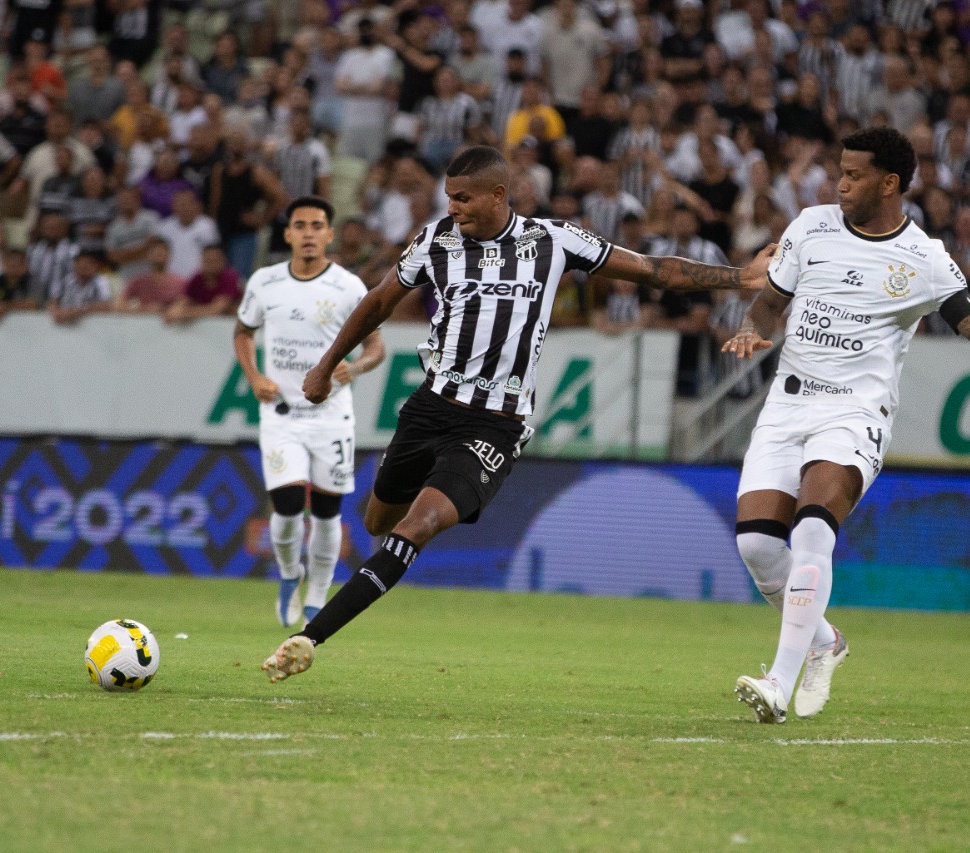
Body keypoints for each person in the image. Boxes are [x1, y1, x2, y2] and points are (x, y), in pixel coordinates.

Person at [261, 145, 772, 683]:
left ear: (498, 195)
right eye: (448, 198)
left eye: (462, 198)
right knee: (379, 522)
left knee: (419, 525)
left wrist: (740, 278)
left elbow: (652, 270)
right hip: (428, 409)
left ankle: (308, 638)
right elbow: (378, 302)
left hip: (494, 425)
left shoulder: (552, 240)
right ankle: (368, 569)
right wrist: (324, 366)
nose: (453, 208)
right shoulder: (435, 240)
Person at [723, 128, 970, 724]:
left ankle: (777, 683)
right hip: (787, 404)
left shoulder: (925, 259)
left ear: (889, 183)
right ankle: (826, 642)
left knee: (811, 533)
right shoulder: (810, 226)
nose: (840, 184)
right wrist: (755, 328)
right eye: (840, 171)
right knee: (756, 545)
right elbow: (770, 301)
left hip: (855, 413)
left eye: (853, 175)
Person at [233, 196, 386, 628]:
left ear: (329, 234)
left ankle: (317, 596)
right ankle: (288, 574)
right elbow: (243, 332)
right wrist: (254, 377)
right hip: (281, 414)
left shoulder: (349, 287)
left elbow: (377, 347)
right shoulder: (265, 282)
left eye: (317, 225)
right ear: (287, 234)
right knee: (284, 511)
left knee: (326, 514)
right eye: (299, 225)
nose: (308, 233)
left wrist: (353, 368)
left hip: (331, 417)